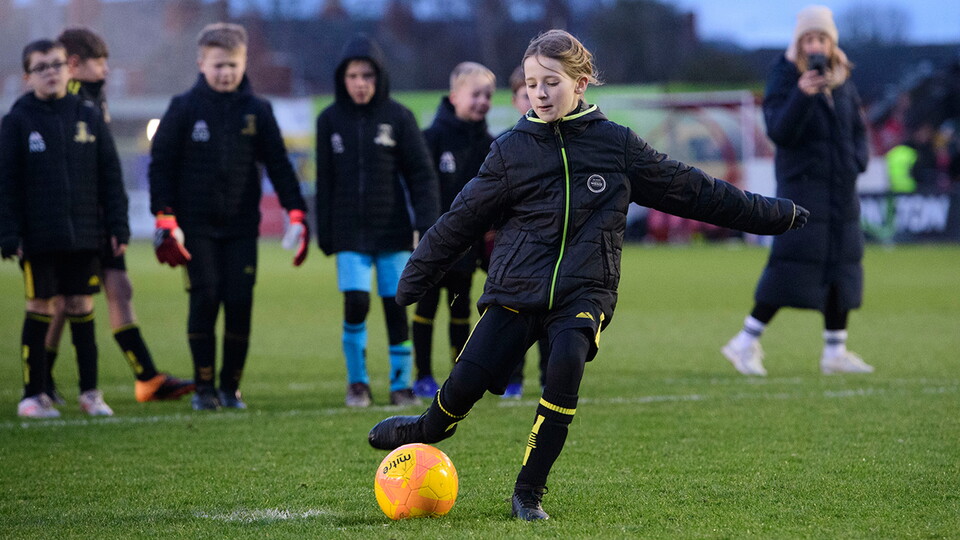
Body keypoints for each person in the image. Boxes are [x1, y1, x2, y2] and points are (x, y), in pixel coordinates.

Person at [367, 29, 808, 520]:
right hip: (515, 287)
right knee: (465, 383)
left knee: (566, 362)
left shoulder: (616, 145)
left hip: (585, 290)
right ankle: (429, 427)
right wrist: (416, 276)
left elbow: (695, 191)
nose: (539, 93)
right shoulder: (510, 150)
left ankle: (528, 492)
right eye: (532, 83)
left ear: (579, 83)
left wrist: (775, 215)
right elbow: (461, 218)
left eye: (550, 82)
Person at [148, 22, 309, 411]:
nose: (226, 73)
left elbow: (279, 164)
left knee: (239, 302)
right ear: (201, 63)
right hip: (195, 227)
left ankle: (230, 388)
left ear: (244, 63)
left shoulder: (258, 110)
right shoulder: (183, 108)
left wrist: (296, 212)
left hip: (241, 227)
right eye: (218, 65)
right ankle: (203, 388)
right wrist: (164, 216)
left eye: (232, 65)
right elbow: (161, 165)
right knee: (205, 300)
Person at [36, 27, 195, 405]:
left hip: (101, 217)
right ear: (76, 63)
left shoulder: (93, 98)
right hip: (81, 220)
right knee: (66, 299)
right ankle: (41, 381)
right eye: (100, 62)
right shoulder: (67, 104)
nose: (107, 70)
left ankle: (147, 378)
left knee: (115, 289)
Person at [722, 5, 873, 377]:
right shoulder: (785, 75)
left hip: (841, 192)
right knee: (790, 267)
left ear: (831, 41)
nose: (815, 45)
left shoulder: (843, 78)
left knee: (843, 266)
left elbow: (858, 128)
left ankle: (835, 351)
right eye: (809, 38)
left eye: (821, 38)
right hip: (803, 190)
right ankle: (744, 341)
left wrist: (857, 161)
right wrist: (802, 95)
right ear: (798, 42)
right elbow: (779, 131)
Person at [0, 39, 129, 417]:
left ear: (69, 69)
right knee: (40, 307)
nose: (51, 72)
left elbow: (111, 176)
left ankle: (91, 394)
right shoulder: (17, 121)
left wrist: (118, 225)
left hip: (84, 234)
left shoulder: (88, 115)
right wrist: (8, 233)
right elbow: (5, 183)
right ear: (28, 76)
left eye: (57, 64)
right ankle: (33, 395)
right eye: (41, 67)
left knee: (81, 306)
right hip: (38, 237)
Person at [314, 34, 440, 408]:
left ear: (379, 77)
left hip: (393, 231)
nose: (360, 83)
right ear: (342, 78)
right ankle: (358, 384)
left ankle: (400, 385)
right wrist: (325, 230)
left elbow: (421, 175)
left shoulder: (399, 117)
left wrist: (427, 224)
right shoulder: (329, 120)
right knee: (355, 303)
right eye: (353, 76)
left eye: (367, 76)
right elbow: (324, 181)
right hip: (349, 233)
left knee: (395, 306)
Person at [411, 62, 495, 399]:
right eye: (476, 94)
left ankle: (459, 376)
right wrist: (419, 231)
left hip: (467, 246)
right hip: (432, 244)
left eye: (487, 95)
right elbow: (418, 190)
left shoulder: (490, 145)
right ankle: (422, 375)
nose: (482, 101)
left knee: (461, 309)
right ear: (454, 96)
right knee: (426, 307)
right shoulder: (430, 139)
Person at [501, 64, 549, 399]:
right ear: (515, 99)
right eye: (525, 92)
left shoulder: (562, 141)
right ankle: (513, 378)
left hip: (551, 245)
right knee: (515, 315)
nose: (533, 99)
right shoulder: (506, 144)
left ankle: (550, 377)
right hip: (517, 244)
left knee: (550, 316)